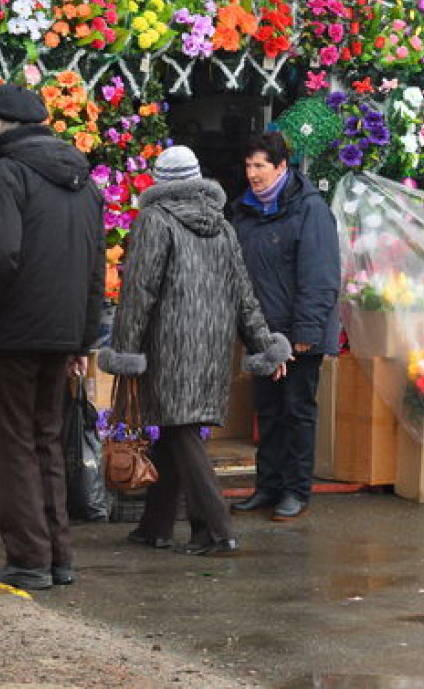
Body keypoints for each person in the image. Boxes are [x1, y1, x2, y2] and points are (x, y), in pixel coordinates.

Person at [99, 145, 291, 556]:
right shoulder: (222, 225)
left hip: (171, 343)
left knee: (182, 432)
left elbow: (140, 291)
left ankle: (218, 531)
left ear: (162, 183)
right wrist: (264, 345)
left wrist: (125, 351)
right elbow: (244, 294)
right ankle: (156, 526)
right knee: (174, 431)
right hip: (213, 346)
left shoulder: (156, 219)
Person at [0, 84, 105, 591]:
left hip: (16, 329)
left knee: (15, 443)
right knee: (47, 441)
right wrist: (83, 341)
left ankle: (29, 559)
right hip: (63, 331)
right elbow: (95, 269)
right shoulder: (84, 183)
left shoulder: (6, 174)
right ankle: (57, 556)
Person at [227, 131, 341, 522]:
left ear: (280, 167)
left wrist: (305, 335)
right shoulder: (242, 211)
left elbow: (320, 276)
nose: (252, 173)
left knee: (297, 411)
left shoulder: (309, 209)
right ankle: (268, 486)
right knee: (268, 413)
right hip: (262, 334)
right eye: (248, 165)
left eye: (260, 165)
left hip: (298, 335)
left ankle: (296, 490)